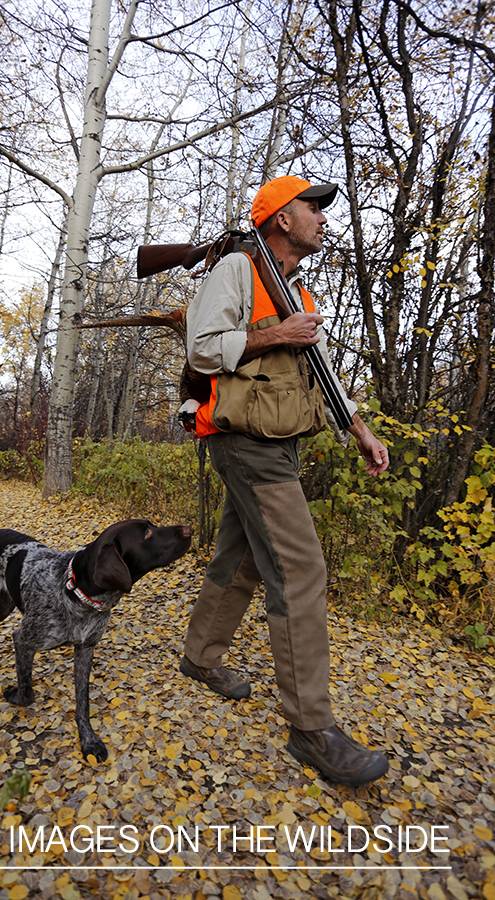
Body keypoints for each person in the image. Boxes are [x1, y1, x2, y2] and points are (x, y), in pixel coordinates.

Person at [179, 175, 390, 786]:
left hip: (279, 442)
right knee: (300, 569)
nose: (322, 217)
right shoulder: (239, 272)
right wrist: (277, 333)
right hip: (247, 444)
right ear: (280, 219)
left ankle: (199, 656)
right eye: (311, 207)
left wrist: (360, 429)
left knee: (241, 559)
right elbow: (201, 348)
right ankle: (310, 727)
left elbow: (320, 367)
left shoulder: (294, 288)